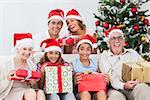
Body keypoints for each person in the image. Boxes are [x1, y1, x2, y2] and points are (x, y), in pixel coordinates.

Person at [99, 29, 150, 100]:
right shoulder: (104, 56)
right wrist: (123, 85)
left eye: (119, 38)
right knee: (116, 98)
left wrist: (140, 79)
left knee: (143, 88)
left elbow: (143, 68)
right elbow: (109, 76)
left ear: (123, 42)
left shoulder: (133, 53)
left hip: (134, 85)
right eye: (113, 38)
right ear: (109, 43)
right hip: (114, 88)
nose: (117, 41)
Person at [0, 33, 45, 100]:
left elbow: (35, 87)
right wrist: (8, 78)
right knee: (30, 92)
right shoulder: (6, 64)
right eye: (24, 49)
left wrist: (33, 83)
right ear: (18, 49)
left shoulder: (32, 65)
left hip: (28, 92)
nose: (27, 52)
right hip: (11, 92)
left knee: (40, 92)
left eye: (30, 49)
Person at [72, 34, 107, 100]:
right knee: (85, 93)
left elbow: (101, 76)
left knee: (102, 93)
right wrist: (75, 80)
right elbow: (71, 82)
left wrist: (105, 78)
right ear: (78, 50)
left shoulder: (96, 63)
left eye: (88, 49)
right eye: (82, 49)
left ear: (91, 51)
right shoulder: (73, 63)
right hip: (81, 92)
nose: (85, 52)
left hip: (96, 90)